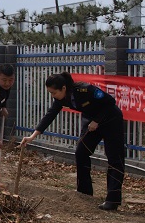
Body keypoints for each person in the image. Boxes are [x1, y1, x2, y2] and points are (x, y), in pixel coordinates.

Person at [20, 72, 126, 211]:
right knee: (81, 152)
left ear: (63, 88)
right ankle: (84, 193)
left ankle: (112, 200)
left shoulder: (84, 89)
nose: (53, 96)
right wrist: (32, 136)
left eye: (54, 93)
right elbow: (50, 115)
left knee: (115, 158)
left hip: (110, 119)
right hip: (91, 122)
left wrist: (97, 120)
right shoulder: (61, 99)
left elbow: (110, 102)